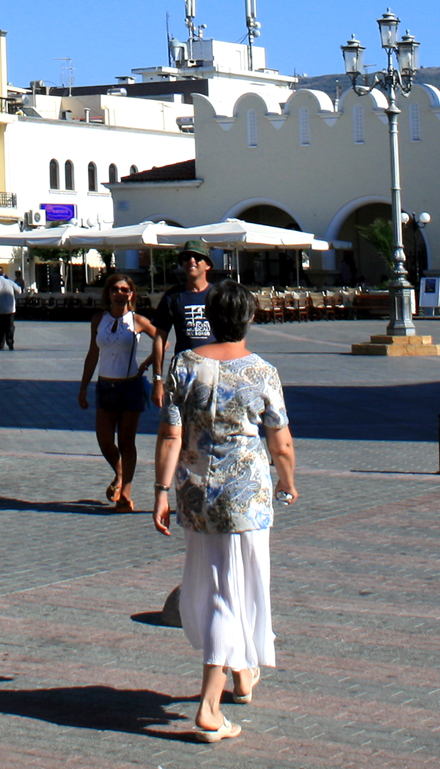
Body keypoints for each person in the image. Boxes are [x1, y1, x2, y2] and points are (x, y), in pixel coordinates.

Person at [151, 281, 295, 745]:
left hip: (197, 495)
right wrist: (287, 481)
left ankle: (242, 675)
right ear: (249, 318)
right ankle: (209, 708)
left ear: (208, 317)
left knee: (219, 584)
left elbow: (171, 436)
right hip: (246, 499)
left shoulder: (185, 365)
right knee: (232, 594)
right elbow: (281, 441)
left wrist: (160, 492)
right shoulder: (261, 372)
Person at [77, 270, 162, 510]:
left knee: (126, 440)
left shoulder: (137, 321)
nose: (119, 293)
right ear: (109, 293)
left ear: (131, 294)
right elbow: (93, 354)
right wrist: (83, 386)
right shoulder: (98, 320)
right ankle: (120, 471)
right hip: (105, 384)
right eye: (115, 289)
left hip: (130, 385)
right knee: (104, 440)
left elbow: (161, 341)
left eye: (124, 290)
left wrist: (148, 364)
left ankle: (125, 493)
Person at [152, 249, 216, 399]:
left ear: (207, 265)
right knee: (177, 420)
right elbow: (159, 338)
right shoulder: (173, 296)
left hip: (214, 372)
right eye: (186, 258)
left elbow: (231, 337)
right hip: (183, 373)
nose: (191, 261)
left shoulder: (219, 295)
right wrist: (157, 380)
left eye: (198, 257)